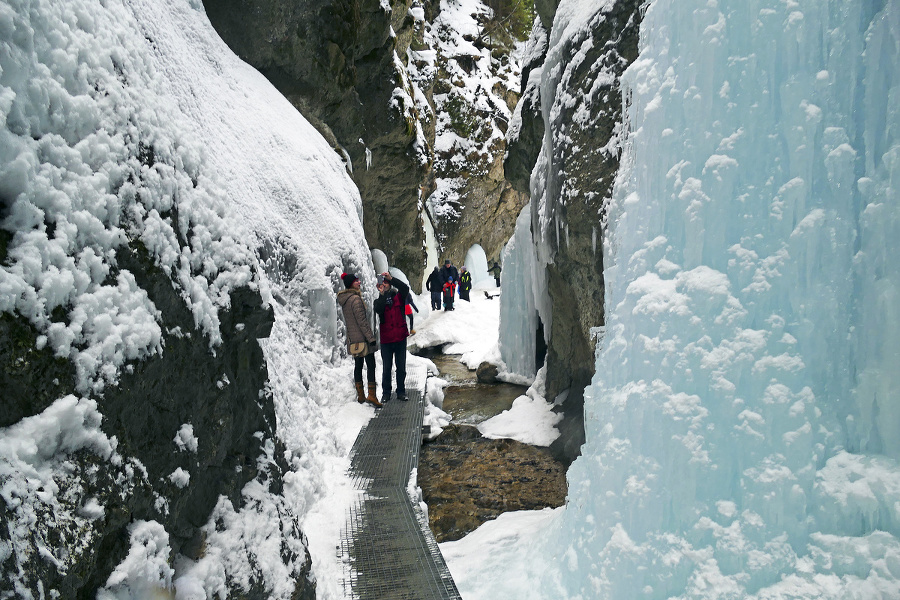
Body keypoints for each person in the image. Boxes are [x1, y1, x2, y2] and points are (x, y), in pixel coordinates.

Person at [337, 272, 382, 407]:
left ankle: (361, 396)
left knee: (358, 365)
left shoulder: (345, 299)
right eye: (356, 281)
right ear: (351, 283)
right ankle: (372, 395)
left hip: (354, 339)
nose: (359, 282)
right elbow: (362, 322)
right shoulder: (356, 300)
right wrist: (371, 338)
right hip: (363, 339)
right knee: (371, 365)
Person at [374, 271, 411, 401]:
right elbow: (379, 309)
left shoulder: (399, 297)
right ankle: (386, 393)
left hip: (400, 338)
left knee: (401, 367)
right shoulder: (378, 301)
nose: (384, 284)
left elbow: (405, 288)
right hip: (387, 340)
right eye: (382, 282)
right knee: (387, 367)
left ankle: (401, 391)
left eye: (386, 282)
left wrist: (392, 278)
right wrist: (382, 294)